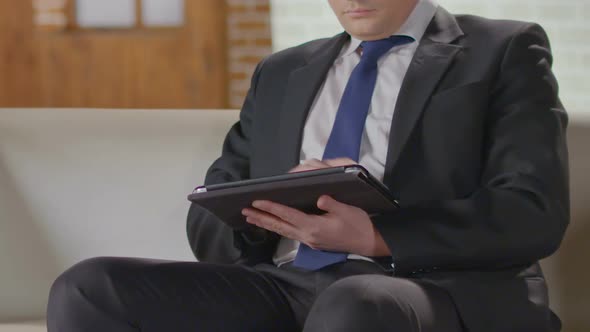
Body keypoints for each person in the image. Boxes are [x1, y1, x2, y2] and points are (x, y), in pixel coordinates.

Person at [47, 0, 569, 331]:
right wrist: (270, 208)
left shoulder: (502, 50)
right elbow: (209, 215)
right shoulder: (283, 71)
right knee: (90, 287)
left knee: (357, 301)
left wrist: (376, 237)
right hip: (286, 283)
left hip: (430, 288)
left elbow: (531, 210)